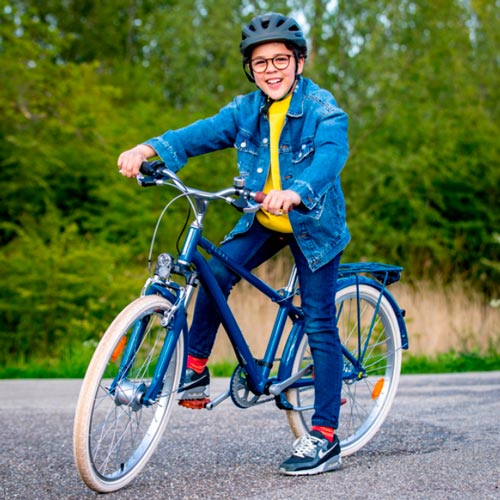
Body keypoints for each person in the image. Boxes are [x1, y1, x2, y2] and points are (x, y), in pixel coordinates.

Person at [118, 12, 349, 476]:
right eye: (260, 63)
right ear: (251, 69)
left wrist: (298, 190)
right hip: (263, 219)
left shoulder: (324, 109)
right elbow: (201, 133)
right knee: (215, 273)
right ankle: (196, 371)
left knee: (318, 320)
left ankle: (325, 436)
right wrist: (149, 149)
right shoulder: (247, 111)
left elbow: (331, 155)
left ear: (299, 62)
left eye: (280, 60)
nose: (271, 70)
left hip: (312, 225)